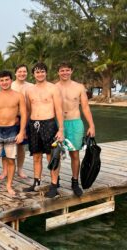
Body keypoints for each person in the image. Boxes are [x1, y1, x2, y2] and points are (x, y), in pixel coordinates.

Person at [24, 62, 64, 198]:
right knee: (36, 155)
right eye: (37, 72)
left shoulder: (53, 89)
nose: (40, 74)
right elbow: (28, 109)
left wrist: (61, 130)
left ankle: (54, 185)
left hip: (49, 124)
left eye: (42, 71)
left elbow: (59, 109)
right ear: (33, 74)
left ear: (46, 73)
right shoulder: (29, 90)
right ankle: (36, 182)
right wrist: (27, 127)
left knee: (51, 156)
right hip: (34, 124)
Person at [55, 62, 95, 197]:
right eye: (62, 70)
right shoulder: (54, 88)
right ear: (58, 72)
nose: (64, 72)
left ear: (71, 71)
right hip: (59, 123)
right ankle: (56, 181)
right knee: (56, 153)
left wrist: (91, 125)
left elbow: (85, 107)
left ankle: (74, 182)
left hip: (75, 122)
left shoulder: (79, 87)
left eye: (67, 70)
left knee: (75, 154)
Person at [0, 71, 27, 196]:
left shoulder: (18, 96)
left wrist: (21, 132)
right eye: (1, 80)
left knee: (11, 160)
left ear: (11, 80)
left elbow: (24, 114)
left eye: (6, 80)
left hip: (12, 130)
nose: (4, 82)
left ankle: (9, 185)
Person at [0, 64, 34, 180]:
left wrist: (26, 122)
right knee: (5, 145)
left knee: (21, 146)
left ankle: (20, 168)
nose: (22, 74)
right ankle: (5, 170)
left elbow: (31, 107)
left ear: (27, 73)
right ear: (15, 73)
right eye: (19, 71)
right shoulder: (10, 85)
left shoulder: (31, 87)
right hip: (11, 120)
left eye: (24, 71)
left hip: (26, 119)